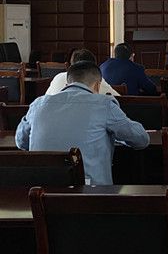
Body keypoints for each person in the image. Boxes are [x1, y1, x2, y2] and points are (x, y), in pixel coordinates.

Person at [16, 61, 149, 185]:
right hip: (89, 192)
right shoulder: (104, 104)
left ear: (67, 85)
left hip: (42, 190)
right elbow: (141, 139)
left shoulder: (38, 104)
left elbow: (21, 142)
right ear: (97, 85)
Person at [45, 48, 119, 96]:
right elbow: (119, 100)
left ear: (71, 64)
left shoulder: (58, 77)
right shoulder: (96, 80)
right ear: (94, 67)